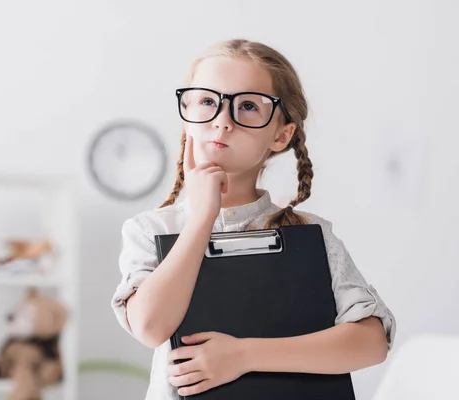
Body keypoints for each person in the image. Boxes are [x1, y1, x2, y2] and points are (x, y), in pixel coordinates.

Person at [110, 38, 396, 399]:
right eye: (207, 102)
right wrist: (201, 219)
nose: (223, 121)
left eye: (247, 106)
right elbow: (151, 327)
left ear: (281, 135)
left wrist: (243, 355)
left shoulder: (310, 235)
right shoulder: (151, 230)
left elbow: (371, 342)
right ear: (188, 114)